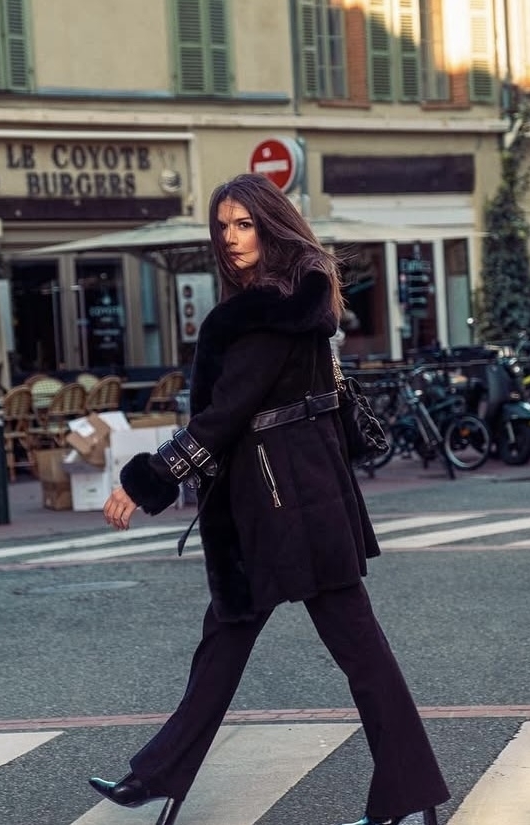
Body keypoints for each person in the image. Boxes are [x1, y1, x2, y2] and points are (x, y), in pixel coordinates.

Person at [90, 173, 449, 825]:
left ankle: (410, 792)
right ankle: (160, 775)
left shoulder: (263, 315)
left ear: (271, 224)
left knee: (356, 651)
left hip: (282, 505)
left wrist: (146, 480)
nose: (230, 238)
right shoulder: (298, 300)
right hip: (294, 495)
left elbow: (224, 417)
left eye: (244, 224)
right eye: (222, 226)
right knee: (232, 640)